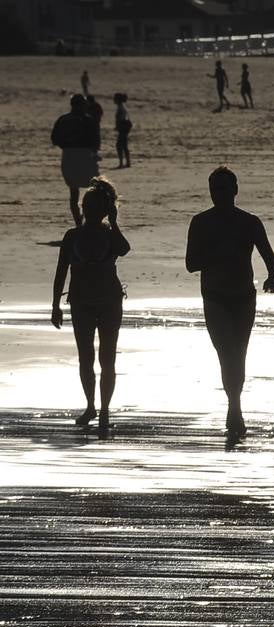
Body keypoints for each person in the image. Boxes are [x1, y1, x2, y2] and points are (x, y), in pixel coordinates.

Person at [185, 166, 274, 441]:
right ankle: (234, 407)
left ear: (235, 190)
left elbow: (269, 256)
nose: (220, 194)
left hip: (243, 297)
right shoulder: (200, 222)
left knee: (238, 353)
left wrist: (272, 278)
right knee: (225, 352)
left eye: (225, 189)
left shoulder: (249, 222)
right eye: (215, 190)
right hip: (215, 297)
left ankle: (234, 406)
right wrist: (217, 252)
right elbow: (191, 263)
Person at [51, 177, 128, 437]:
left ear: (105, 211)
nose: (91, 211)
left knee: (108, 358)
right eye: (88, 206)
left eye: (96, 207)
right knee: (86, 357)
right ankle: (91, 406)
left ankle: (104, 409)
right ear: (83, 209)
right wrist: (54, 305)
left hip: (109, 301)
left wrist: (115, 222)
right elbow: (61, 270)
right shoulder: (72, 236)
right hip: (81, 302)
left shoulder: (110, 235)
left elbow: (124, 249)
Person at [51, 95, 99, 225]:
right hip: (85, 156)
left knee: (74, 192)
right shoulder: (89, 120)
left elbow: (55, 138)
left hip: (69, 156)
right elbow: (96, 140)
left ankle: (79, 222)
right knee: (94, 190)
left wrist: (66, 145)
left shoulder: (64, 119)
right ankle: (89, 220)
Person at [113, 93, 131, 169]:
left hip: (123, 127)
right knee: (124, 145)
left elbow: (120, 118)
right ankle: (127, 162)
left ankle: (121, 163)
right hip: (124, 127)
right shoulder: (122, 107)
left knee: (119, 145)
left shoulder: (121, 108)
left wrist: (118, 126)